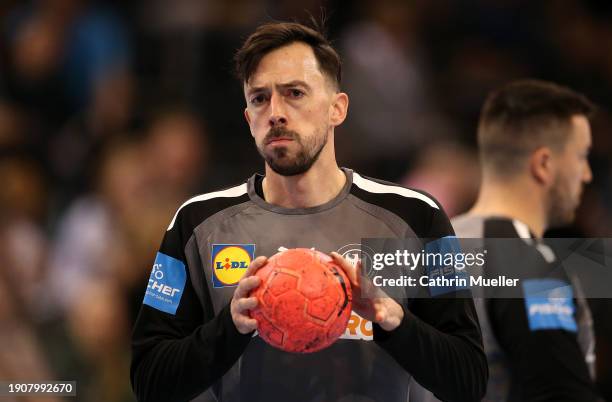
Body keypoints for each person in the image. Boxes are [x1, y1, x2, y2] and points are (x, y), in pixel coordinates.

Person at [130, 21, 487, 402]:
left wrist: (390, 317)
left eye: (294, 93)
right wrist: (229, 328)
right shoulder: (197, 223)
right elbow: (150, 381)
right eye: (259, 99)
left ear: (337, 108)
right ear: (248, 119)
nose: (276, 112)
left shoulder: (414, 216)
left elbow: (468, 380)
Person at [452, 80, 602, 401]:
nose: (587, 174)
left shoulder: (428, 246)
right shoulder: (531, 264)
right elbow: (561, 392)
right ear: (544, 164)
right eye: (581, 156)